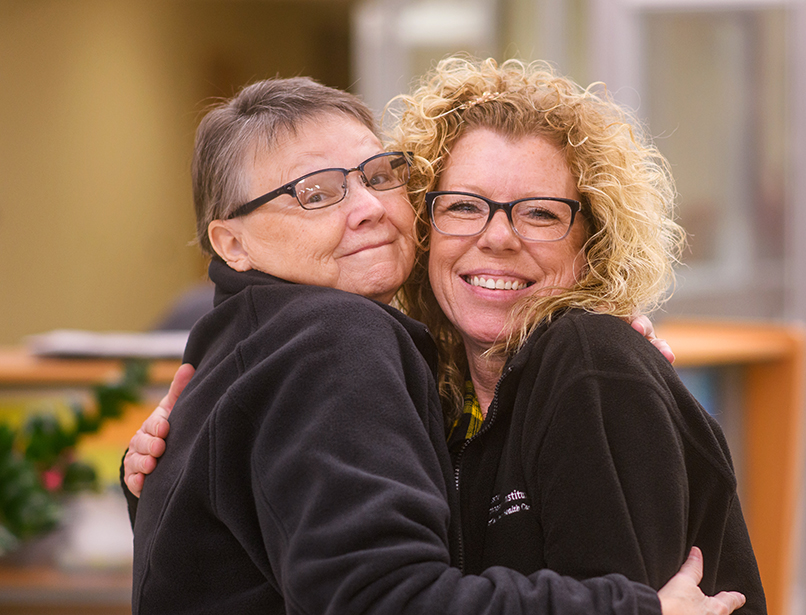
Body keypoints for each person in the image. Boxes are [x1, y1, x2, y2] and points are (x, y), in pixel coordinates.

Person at [126, 75, 745, 615]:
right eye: (316, 193)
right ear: (230, 244)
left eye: (541, 214)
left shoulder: (582, 365)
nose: (367, 207)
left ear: (594, 239)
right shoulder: (333, 341)